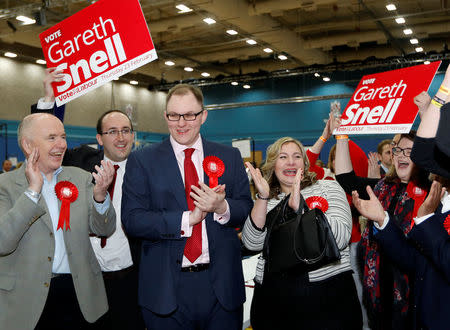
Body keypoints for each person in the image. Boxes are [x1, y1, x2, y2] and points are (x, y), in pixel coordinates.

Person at [121, 84, 253, 330]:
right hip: (165, 291)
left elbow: (246, 208)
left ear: (203, 115)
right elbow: (132, 219)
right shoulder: (142, 160)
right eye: (173, 115)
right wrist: (186, 220)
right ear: (165, 115)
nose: (181, 123)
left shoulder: (229, 156)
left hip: (222, 290)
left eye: (189, 115)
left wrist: (221, 207)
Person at [33, 67, 144, 329]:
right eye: (113, 131)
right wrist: (49, 98)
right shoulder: (79, 161)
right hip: (86, 282)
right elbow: (44, 139)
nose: (120, 137)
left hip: (131, 279)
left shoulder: (146, 169)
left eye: (126, 130)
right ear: (99, 138)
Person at [0, 113, 116, 329]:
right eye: (51, 137)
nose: (62, 144)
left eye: (63, 136)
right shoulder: (5, 185)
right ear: (27, 144)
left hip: (78, 296)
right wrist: (33, 192)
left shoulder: (80, 178)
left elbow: (105, 229)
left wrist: (100, 197)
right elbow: (3, 242)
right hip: (25, 300)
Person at [241, 137, 362, 329]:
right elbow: (252, 242)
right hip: (272, 302)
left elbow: (341, 237)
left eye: (297, 156)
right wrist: (262, 197)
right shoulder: (268, 200)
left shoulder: (328, 187)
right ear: (273, 165)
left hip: (326, 299)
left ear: (304, 164)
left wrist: (302, 209)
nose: (290, 162)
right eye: (283, 157)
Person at [334, 127, 430, 330]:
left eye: (410, 151)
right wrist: (341, 134)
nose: (402, 155)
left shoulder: (431, 192)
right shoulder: (381, 187)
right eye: (397, 150)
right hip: (376, 293)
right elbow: (345, 178)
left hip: (411, 299)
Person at [352, 176, 450, 330]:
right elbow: (414, 260)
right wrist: (382, 220)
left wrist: (426, 219)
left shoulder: (433, 206)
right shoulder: (440, 202)